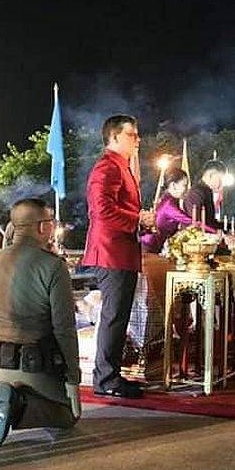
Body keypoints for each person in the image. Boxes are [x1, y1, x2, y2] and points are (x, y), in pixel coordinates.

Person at [0, 198, 81, 449]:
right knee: (68, 416)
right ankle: (17, 405)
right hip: (35, 364)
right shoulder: (52, 266)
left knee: (11, 385)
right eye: (51, 222)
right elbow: (64, 328)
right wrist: (73, 377)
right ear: (42, 227)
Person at [83, 114, 155, 399]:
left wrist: (140, 221)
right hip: (111, 251)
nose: (138, 140)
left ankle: (111, 374)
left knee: (119, 315)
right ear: (114, 137)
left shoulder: (121, 166)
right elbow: (101, 210)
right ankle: (106, 379)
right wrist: (137, 219)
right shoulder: (107, 166)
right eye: (131, 134)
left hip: (121, 251)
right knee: (113, 316)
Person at [141, 168, 216, 254]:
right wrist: (216, 232)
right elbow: (193, 222)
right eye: (185, 185)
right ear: (173, 185)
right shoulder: (169, 204)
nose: (187, 189)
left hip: (153, 247)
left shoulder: (168, 200)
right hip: (147, 247)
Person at [183, 160, 227, 231]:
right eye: (220, 179)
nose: (222, 185)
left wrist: (232, 225)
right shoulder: (196, 193)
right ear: (211, 175)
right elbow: (197, 224)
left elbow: (211, 222)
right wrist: (218, 233)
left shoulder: (207, 191)